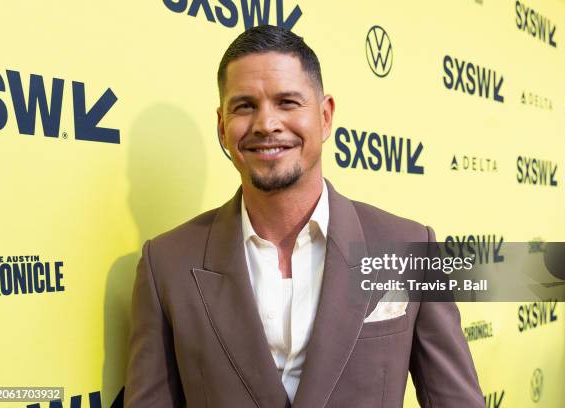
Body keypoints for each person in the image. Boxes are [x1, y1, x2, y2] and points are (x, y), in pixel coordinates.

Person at [124, 25, 484, 408]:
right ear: (222, 127)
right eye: (244, 106)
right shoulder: (166, 264)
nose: (266, 123)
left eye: (288, 102)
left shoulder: (409, 248)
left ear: (325, 116)